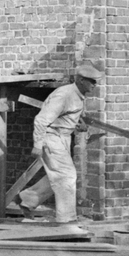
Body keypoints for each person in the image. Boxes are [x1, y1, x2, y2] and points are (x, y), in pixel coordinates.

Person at [31, 60, 102, 224]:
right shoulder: (64, 95)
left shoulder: (78, 95)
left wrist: (77, 125)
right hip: (52, 137)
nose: (94, 85)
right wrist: (37, 144)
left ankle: (27, 200)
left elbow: (63, 117)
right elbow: (41, 120)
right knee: (67, 176)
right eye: (92, 81)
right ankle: (67, 220)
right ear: (81, 80)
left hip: (62, 137)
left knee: (58, 174)